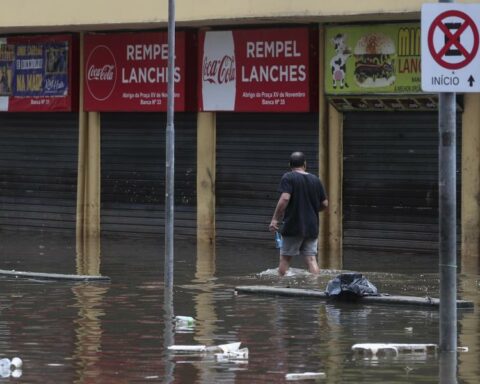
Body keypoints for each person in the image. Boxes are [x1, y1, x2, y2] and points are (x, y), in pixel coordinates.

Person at [269, 152, 328, 276]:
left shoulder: (288, 177)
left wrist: (275, 219)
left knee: (285, 259)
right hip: (312, 226)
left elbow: (285, 198)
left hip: (293, 225)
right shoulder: (315, 179)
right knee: (311, 259)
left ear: (290, 164)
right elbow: (325, 204)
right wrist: (311, 210)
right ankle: (315, 286)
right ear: (305, 164)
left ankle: (281, 289)